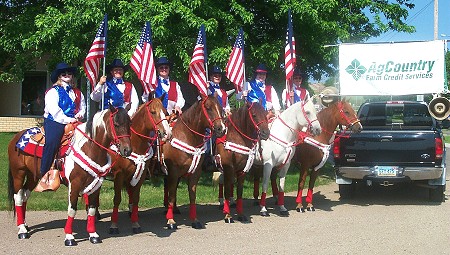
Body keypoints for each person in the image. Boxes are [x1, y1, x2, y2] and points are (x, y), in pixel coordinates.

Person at [35, 62, 86, 192]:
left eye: (69, 73)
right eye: (64, 73)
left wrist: (80, 114)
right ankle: (45, 172)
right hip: (55, 121)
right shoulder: (52, 92)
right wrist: (68, 119)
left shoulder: (78, 92)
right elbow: (54, 110)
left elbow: (82, 107)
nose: (67, 75)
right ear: (59, 76)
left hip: (74, 121)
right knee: (52, 142)